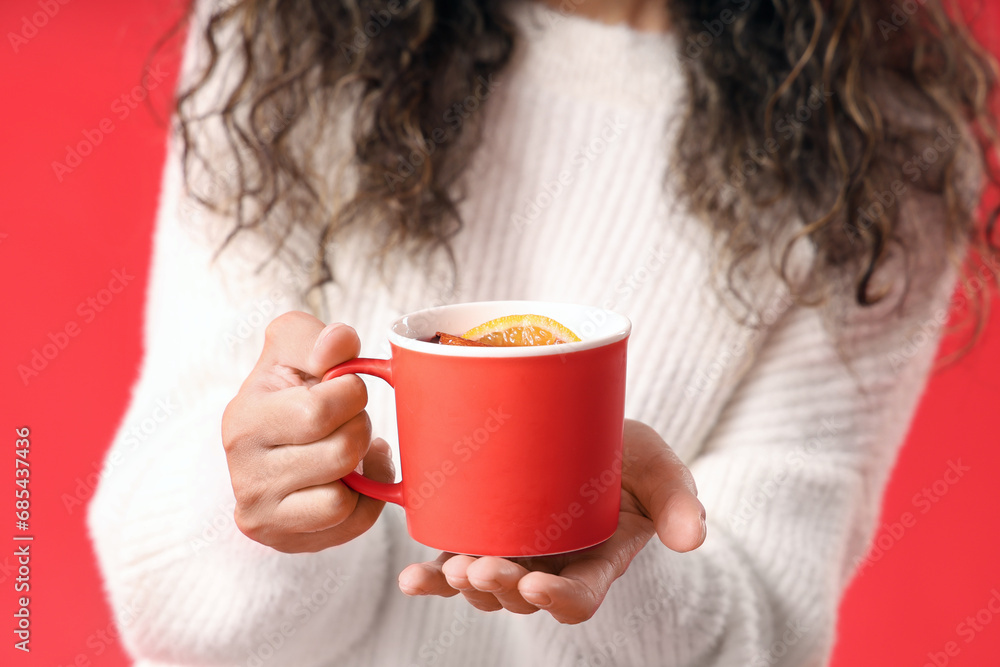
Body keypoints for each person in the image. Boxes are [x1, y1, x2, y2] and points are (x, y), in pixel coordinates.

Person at [88, 0, 998, 665]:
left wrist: (627, 569)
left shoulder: (877, 147)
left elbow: (765, 636)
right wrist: (265, 500)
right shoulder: (283, 32)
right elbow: (170, 608)